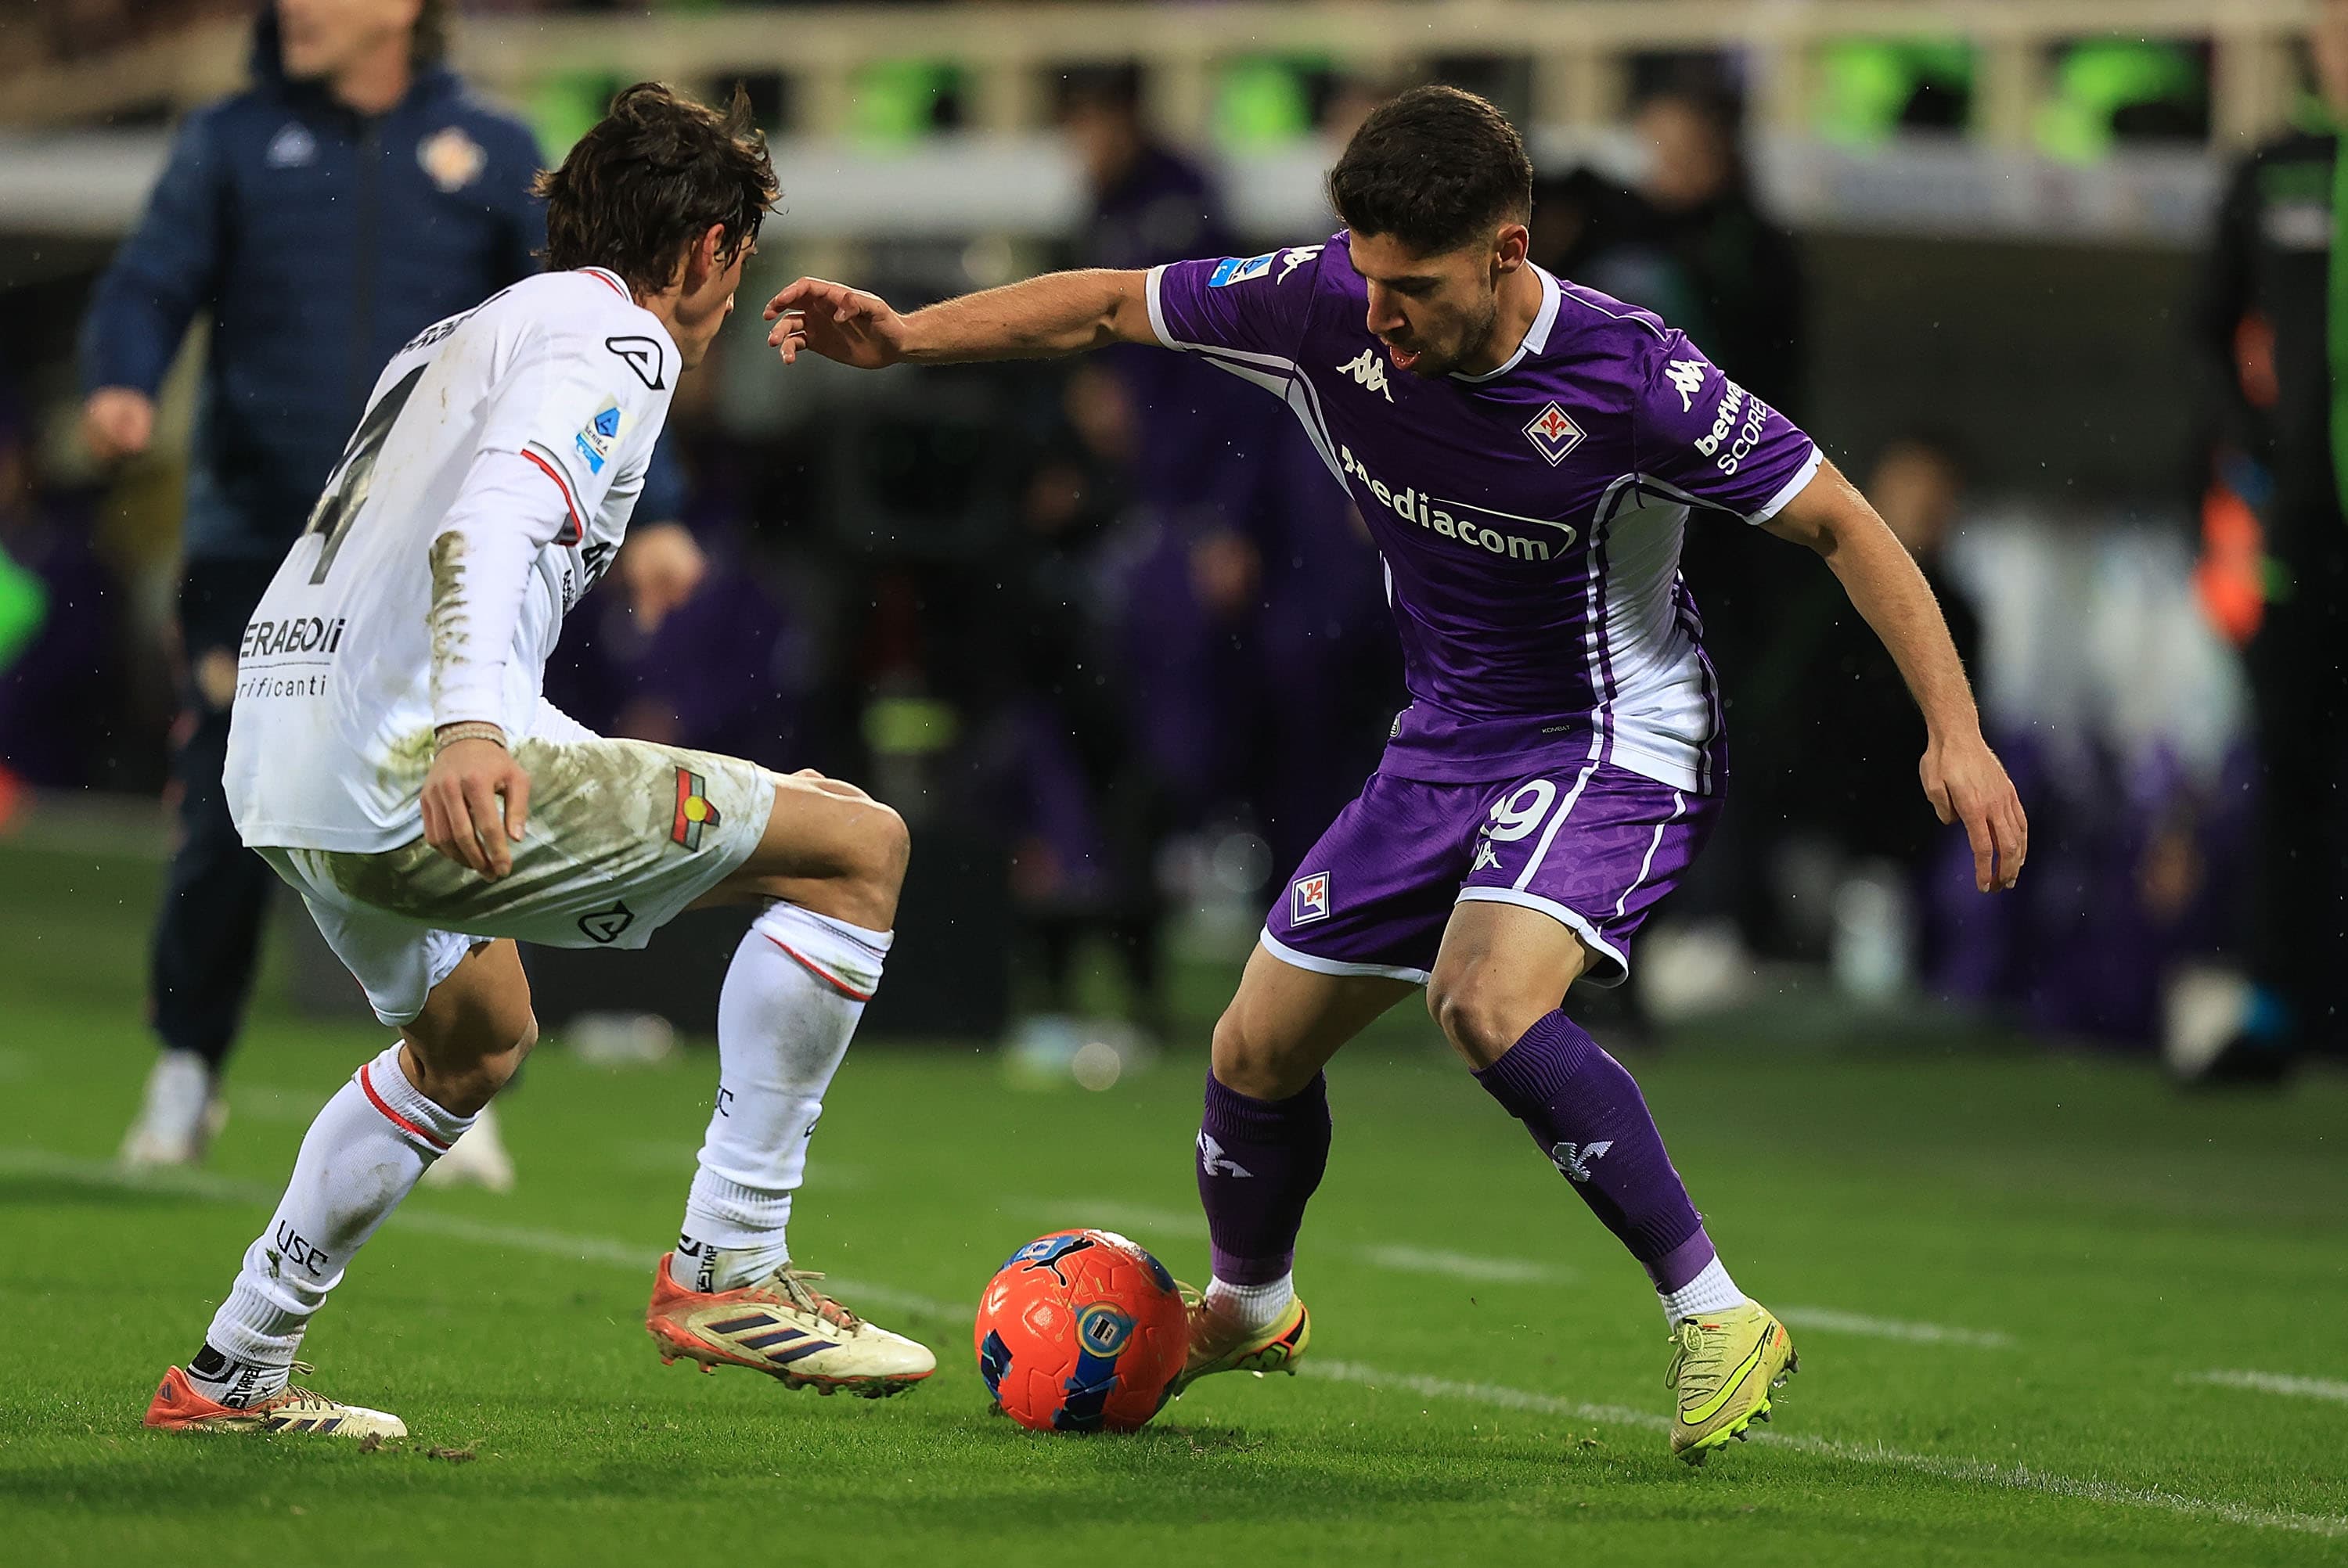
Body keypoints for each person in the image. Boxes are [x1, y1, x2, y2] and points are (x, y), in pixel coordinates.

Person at [765, 86, 2026, 1462]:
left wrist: (1954, 731)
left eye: (1413, 288)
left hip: (1612, 738)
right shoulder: (1321, 303)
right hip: (1443, 742)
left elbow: (1843, 522)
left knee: (1481, 999)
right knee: (1252, 1050)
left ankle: (1716, 1312)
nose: (1379, 317)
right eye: (1366, 277)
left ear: (1507, 251)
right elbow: (1112, 304)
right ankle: (1251, 1305)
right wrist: (905, 337)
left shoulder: (1633, 378)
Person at [141, 85, 935, 1441]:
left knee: (473, 1039)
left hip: (278, 752)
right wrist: (469, 727)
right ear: (711, 252)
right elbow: (497, 517)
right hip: (402, 753)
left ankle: (233, 1370)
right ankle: (732, 1260)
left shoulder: (460, 334)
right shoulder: (621, 341)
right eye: (740, 262)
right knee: (860, 851)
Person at [79, 0, 697, 1181]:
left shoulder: (493, 150)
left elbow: (592, 332)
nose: (294, 7)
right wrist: (123, 377)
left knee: (455, 788)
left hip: (434, 548)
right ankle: (188, 1063)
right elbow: (152, 281)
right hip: (268, 542)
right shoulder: (230, 140)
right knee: (228, 800)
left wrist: (655, 506)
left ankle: (462, 1067)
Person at [2184, 0, 2348, 1081]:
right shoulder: (2276, 172)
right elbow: (2204, 332)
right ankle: (2278, 1006)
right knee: (2290, 767)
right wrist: (2257, 452)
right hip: (2301, 535)